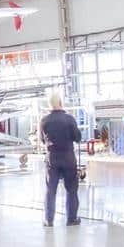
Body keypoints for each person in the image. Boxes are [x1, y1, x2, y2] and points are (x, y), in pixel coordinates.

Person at [40, 93, 83, 227]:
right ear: (60, 102)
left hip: (52, 159)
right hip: (68, 158)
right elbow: (78, 137)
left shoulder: (44, 121)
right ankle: (71, 219)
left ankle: (49, 219)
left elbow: (42, 140)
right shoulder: (69, 119)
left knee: (50, 189)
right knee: (71, 189)